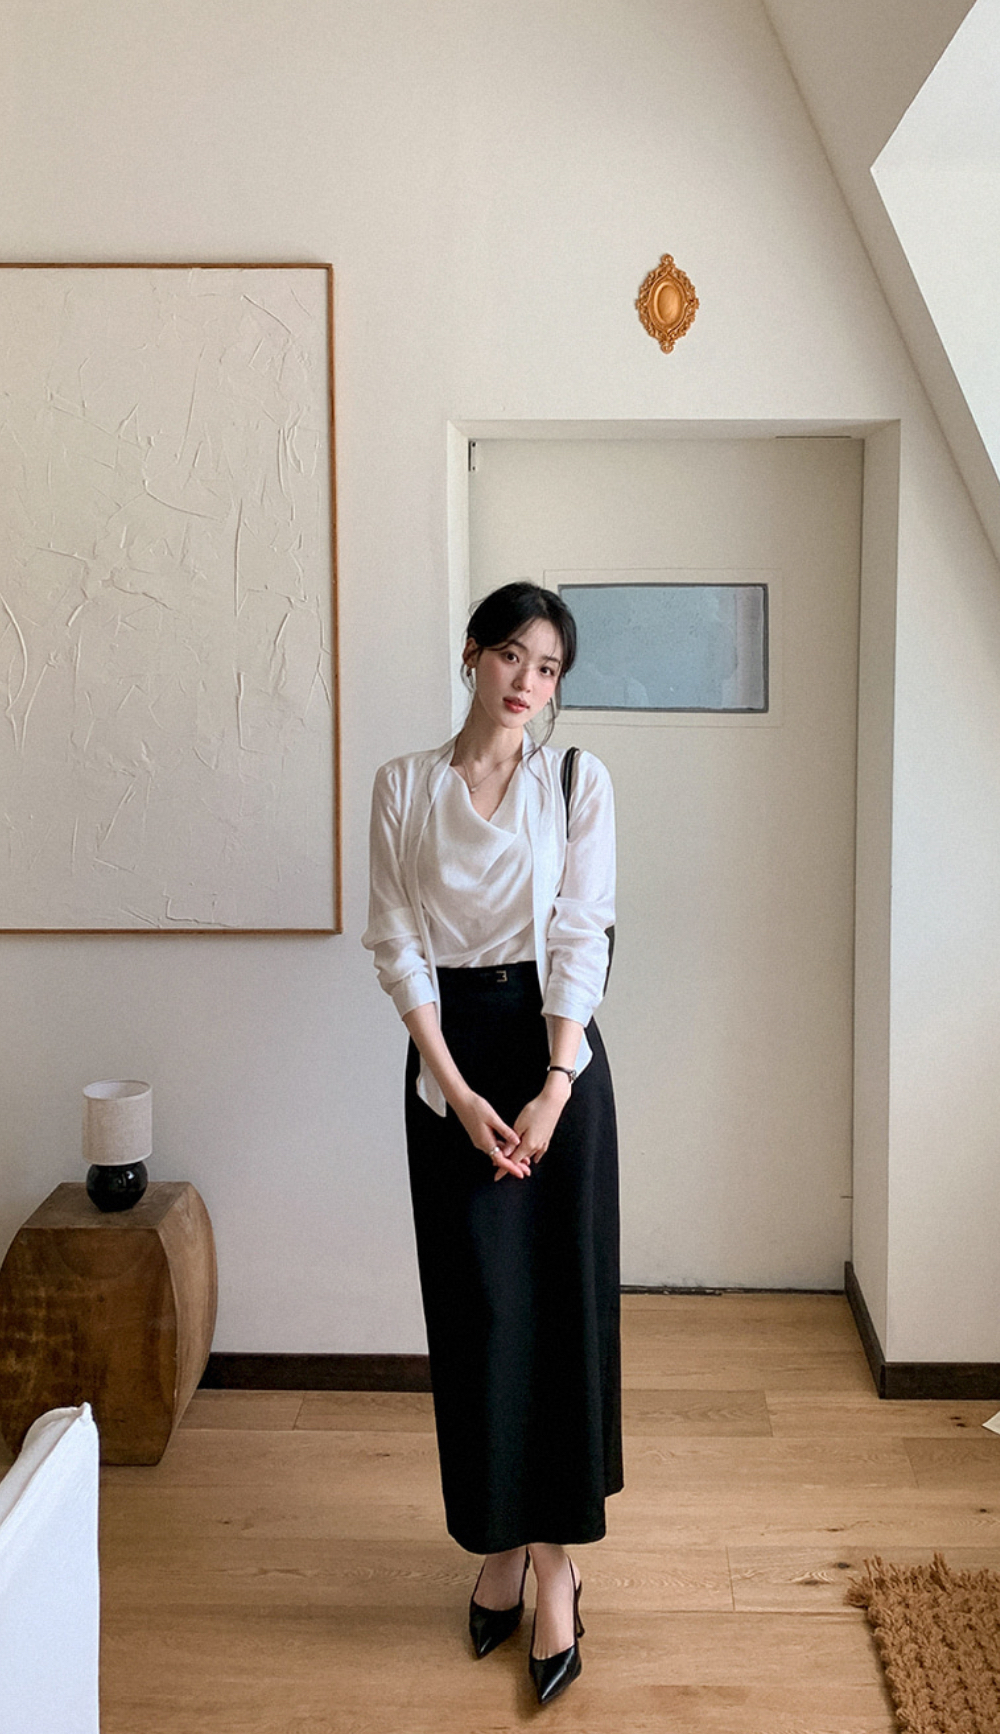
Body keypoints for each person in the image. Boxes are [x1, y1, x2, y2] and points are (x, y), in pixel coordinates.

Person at [362, 582, 621, 1706]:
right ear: (473, 654)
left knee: (556, 1316)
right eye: (512, 654)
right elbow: (397, 942)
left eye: (548, 668)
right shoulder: (403, 787)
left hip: (555, 1058)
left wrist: (555, 1089)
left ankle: (554, 1567)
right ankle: (500, 1540)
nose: (528, 682)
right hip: (449, 1074)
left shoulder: (574, 783)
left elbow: (582, 932)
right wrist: (456, 1090)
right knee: (478, 1319)